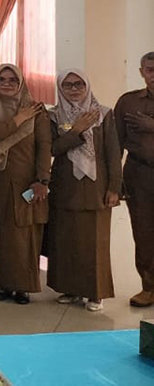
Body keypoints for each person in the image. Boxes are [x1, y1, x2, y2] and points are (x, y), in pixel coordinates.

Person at [46, 70, 121, 311]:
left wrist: (114, 189)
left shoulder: (103, 114)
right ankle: (71, 289)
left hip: (96, 187)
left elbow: (113, 153)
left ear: (87, 86)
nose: (74, 89)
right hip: (65, 186)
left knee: (94, 242)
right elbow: (53, 149)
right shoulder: (54, 116)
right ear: (60, 88)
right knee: (66, 241)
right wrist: (75, 131)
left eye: (79, 84)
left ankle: (95, 293)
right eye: (68, 85)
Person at [0, 63, 50, 305]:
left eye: (12, 80)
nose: (7, 84)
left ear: (21, 84)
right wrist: (19, 119)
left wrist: (42, 180)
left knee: (24, 237)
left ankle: (23, 287)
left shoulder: (36, 111)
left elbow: (44, 147)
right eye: (1, 80)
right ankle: (4, 285)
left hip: (25, 183)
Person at [117, 52, 154, 307]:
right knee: (143, 232)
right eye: (150, 70)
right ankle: (149, 287)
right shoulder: (128, 102)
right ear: (142, 72)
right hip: (139, 174)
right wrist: (114, 179)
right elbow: (115, 142)